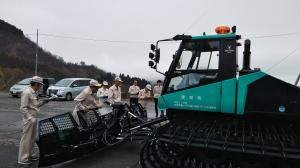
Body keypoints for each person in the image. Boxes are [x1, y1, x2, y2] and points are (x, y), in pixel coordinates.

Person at [18, 76, 51, 165]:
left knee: (32, 138)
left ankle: (29, 155)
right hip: (29, 119)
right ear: (36, 84)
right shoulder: (27, 92)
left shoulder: (34, 92)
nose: (40, 87)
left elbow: (35, 105)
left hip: (33, 117)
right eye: (40, 85)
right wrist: (29, 118)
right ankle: (23, 159)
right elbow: (23, 108)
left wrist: (44, 101)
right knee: (26, 139)